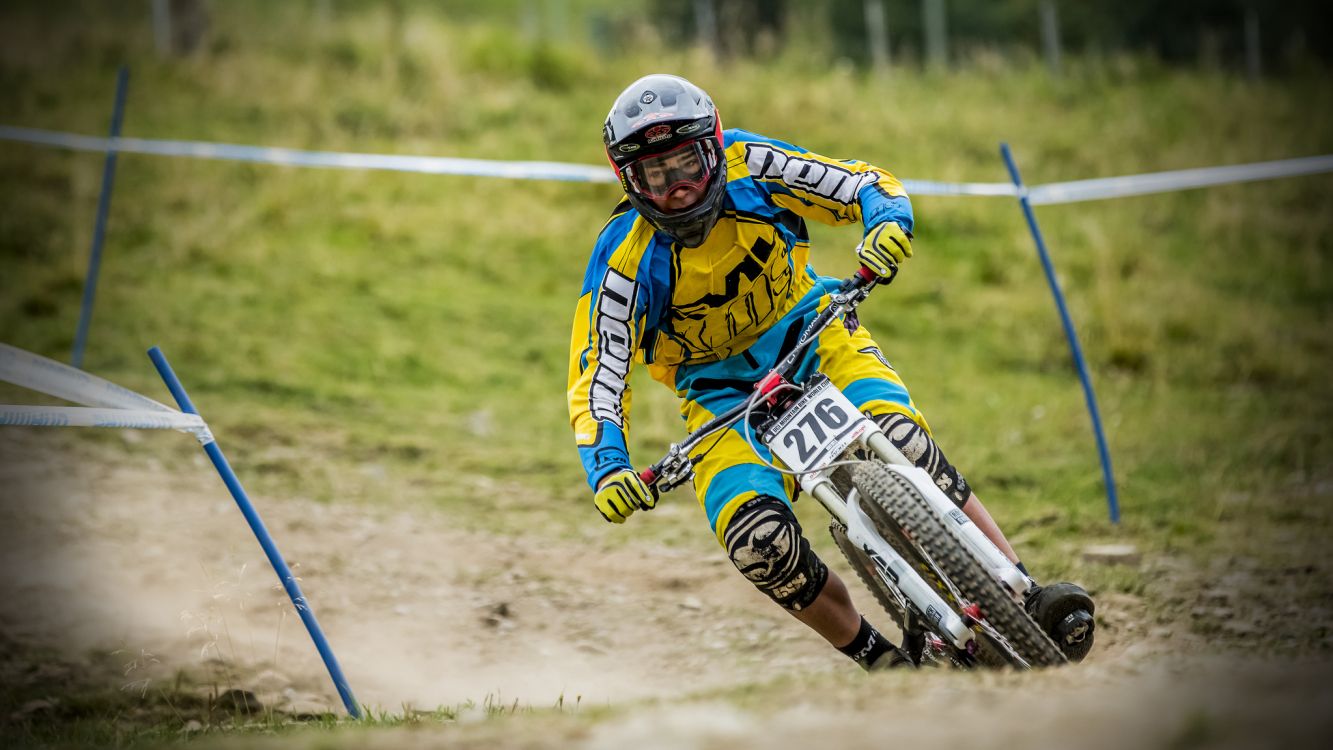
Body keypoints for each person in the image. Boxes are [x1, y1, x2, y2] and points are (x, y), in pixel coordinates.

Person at [567, 74, 1095, 670]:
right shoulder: (621, 263)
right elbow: (598, 377)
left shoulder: (755, 164)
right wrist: (609, 468)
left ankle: (1025, 590)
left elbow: (862, 183)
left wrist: (887, 223)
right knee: (757, 542)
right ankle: (882, 662)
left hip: (817, 338)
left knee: (903, 442)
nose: (679, 189)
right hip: (720, 402)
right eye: (655, 177)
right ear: (629, 181)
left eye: (687, 163)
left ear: (713, 146)